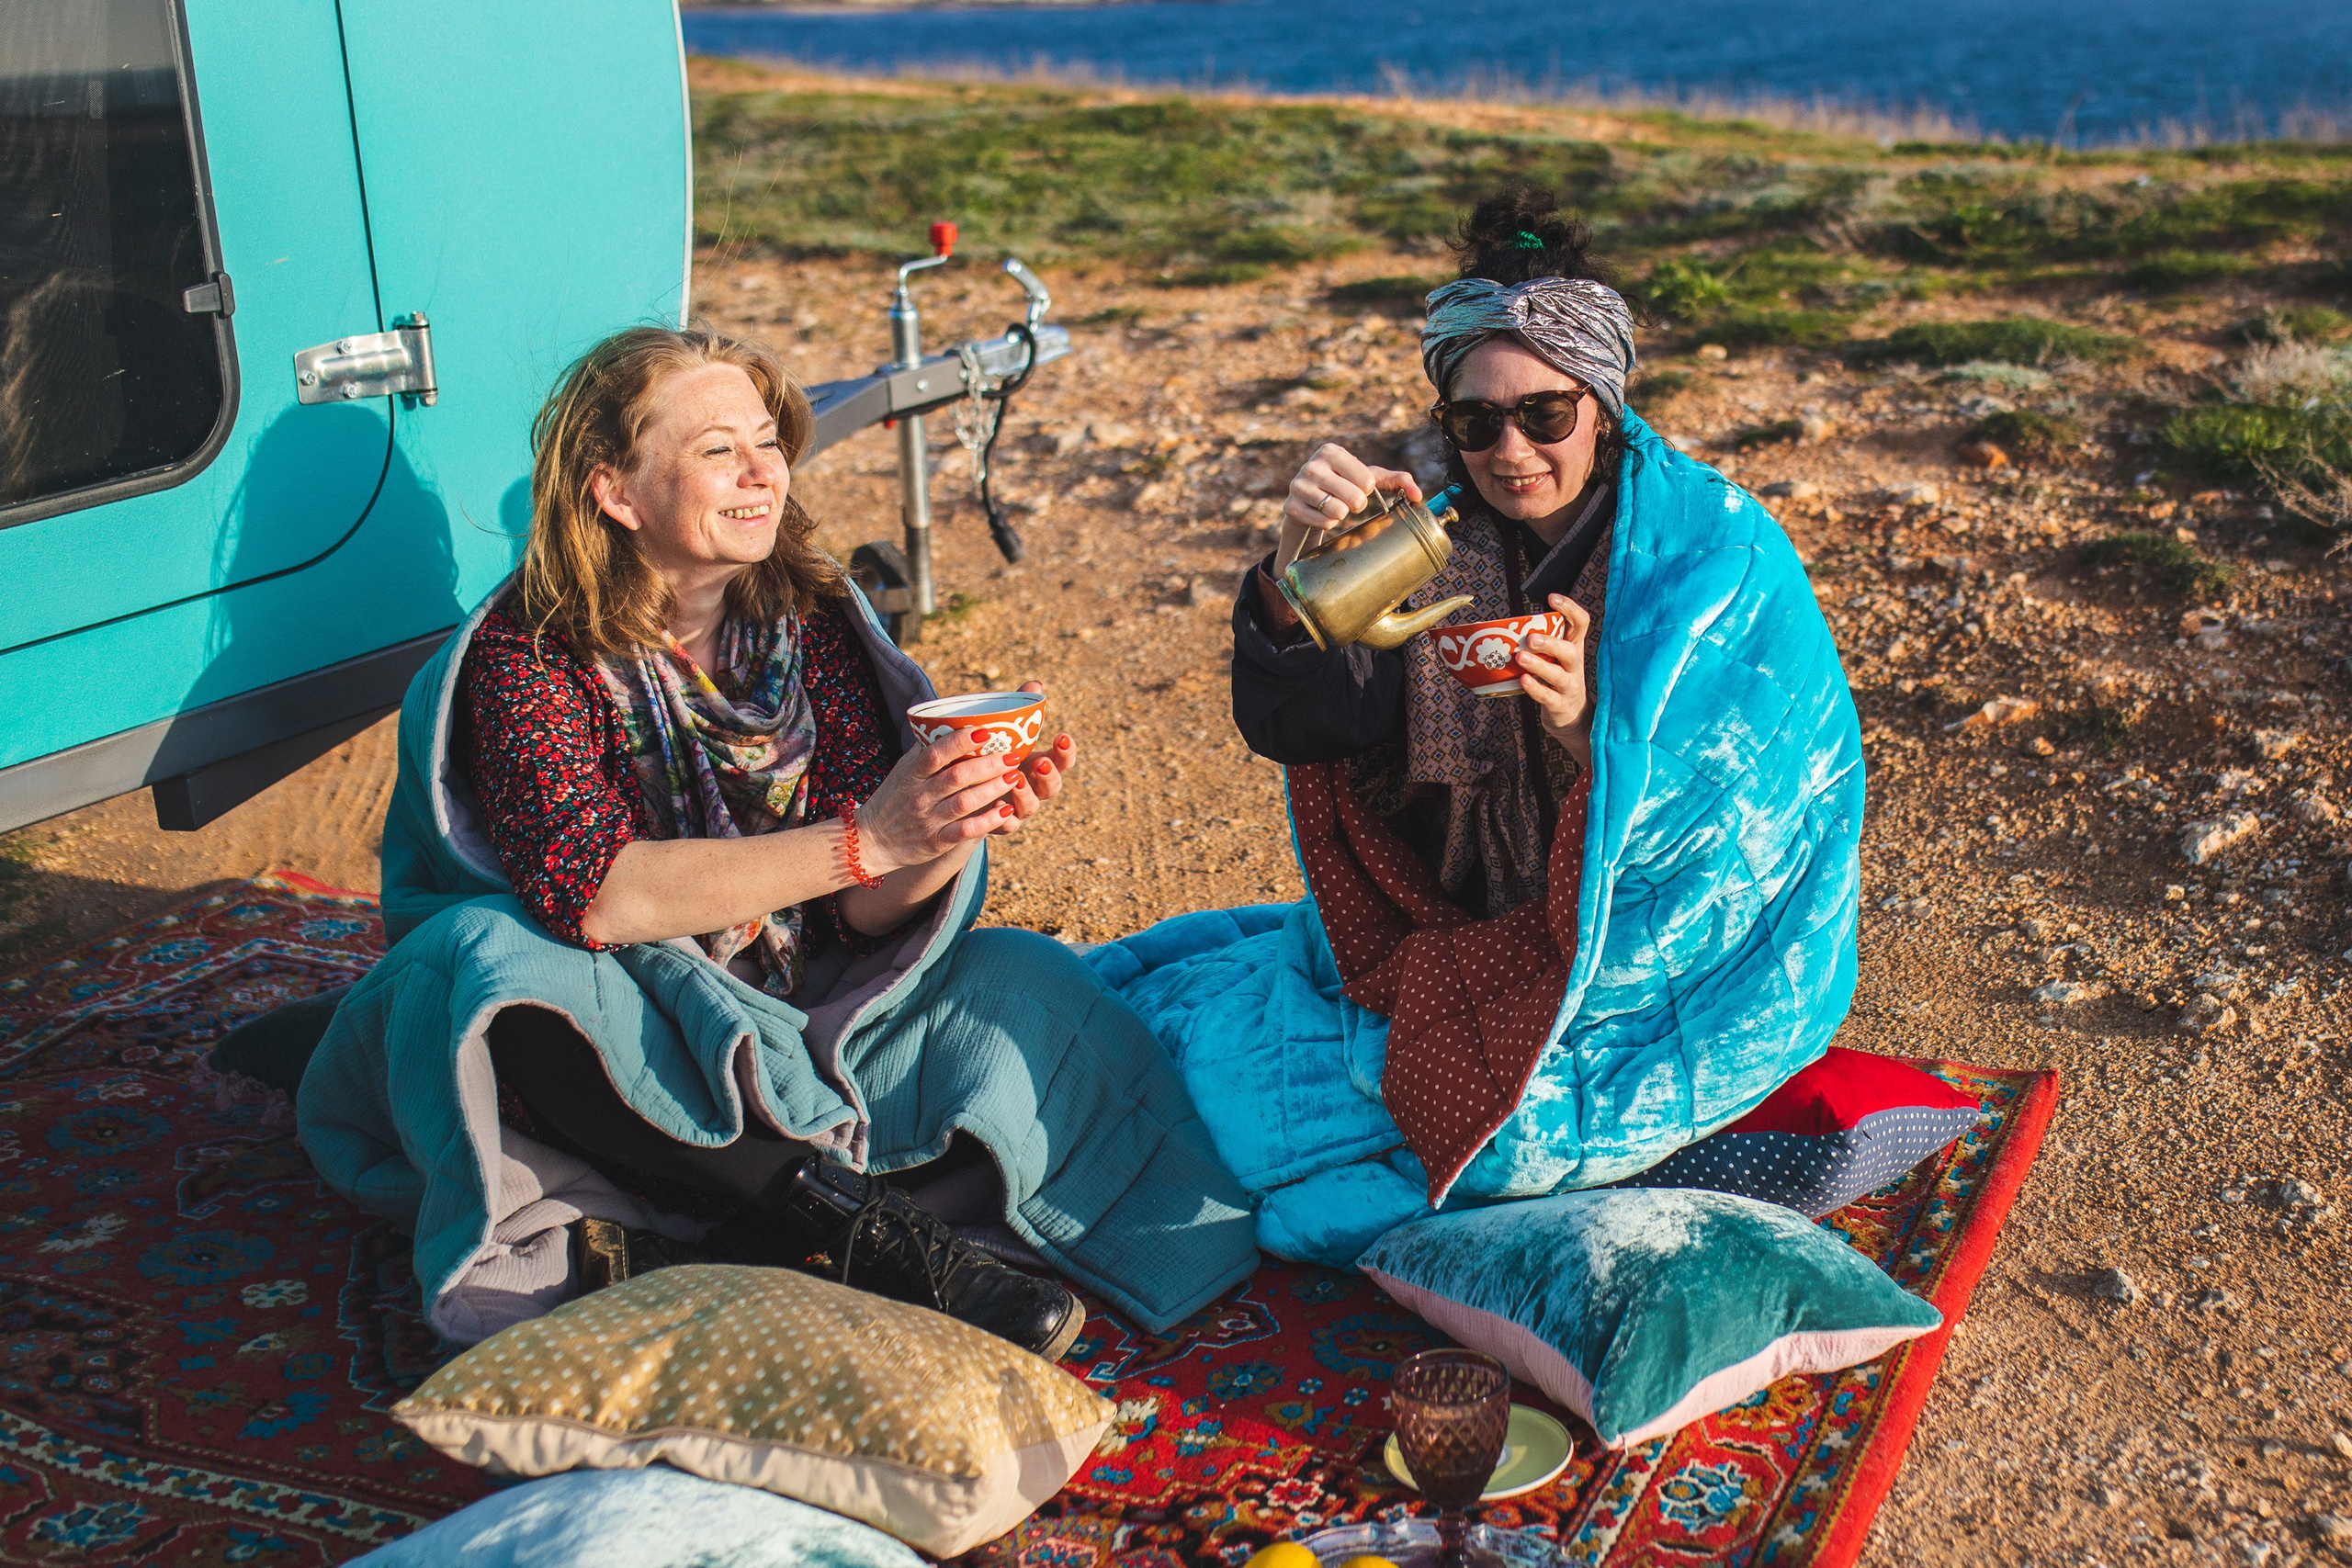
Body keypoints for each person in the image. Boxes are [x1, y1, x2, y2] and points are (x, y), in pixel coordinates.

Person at [294, 326, 1258, 1353]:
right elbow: (600, 900)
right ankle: (855, 1230)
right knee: (489, 962)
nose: (765, 472)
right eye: (717, 450)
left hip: (797, 1008)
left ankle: (714, 1234)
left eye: (769, 441)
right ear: (613, 491)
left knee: (1022, 982)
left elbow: (859, 912)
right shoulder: (527, 657)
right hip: (631, 1017)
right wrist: (867, 839)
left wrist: (943, 825)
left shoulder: (809, 624)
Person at [1086, 188, 1866, 1267]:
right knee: (1221, 1083)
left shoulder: (1711, 557)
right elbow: (1300, 726)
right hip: (1462, 924)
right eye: (1475, 421)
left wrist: (1593, 728)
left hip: (1655, 948)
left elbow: (1757, 810)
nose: (1511, 451)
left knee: (1475, 1142)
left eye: (1545, 415)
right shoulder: (1428, 540)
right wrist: (1289, 565)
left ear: (1603, 403)